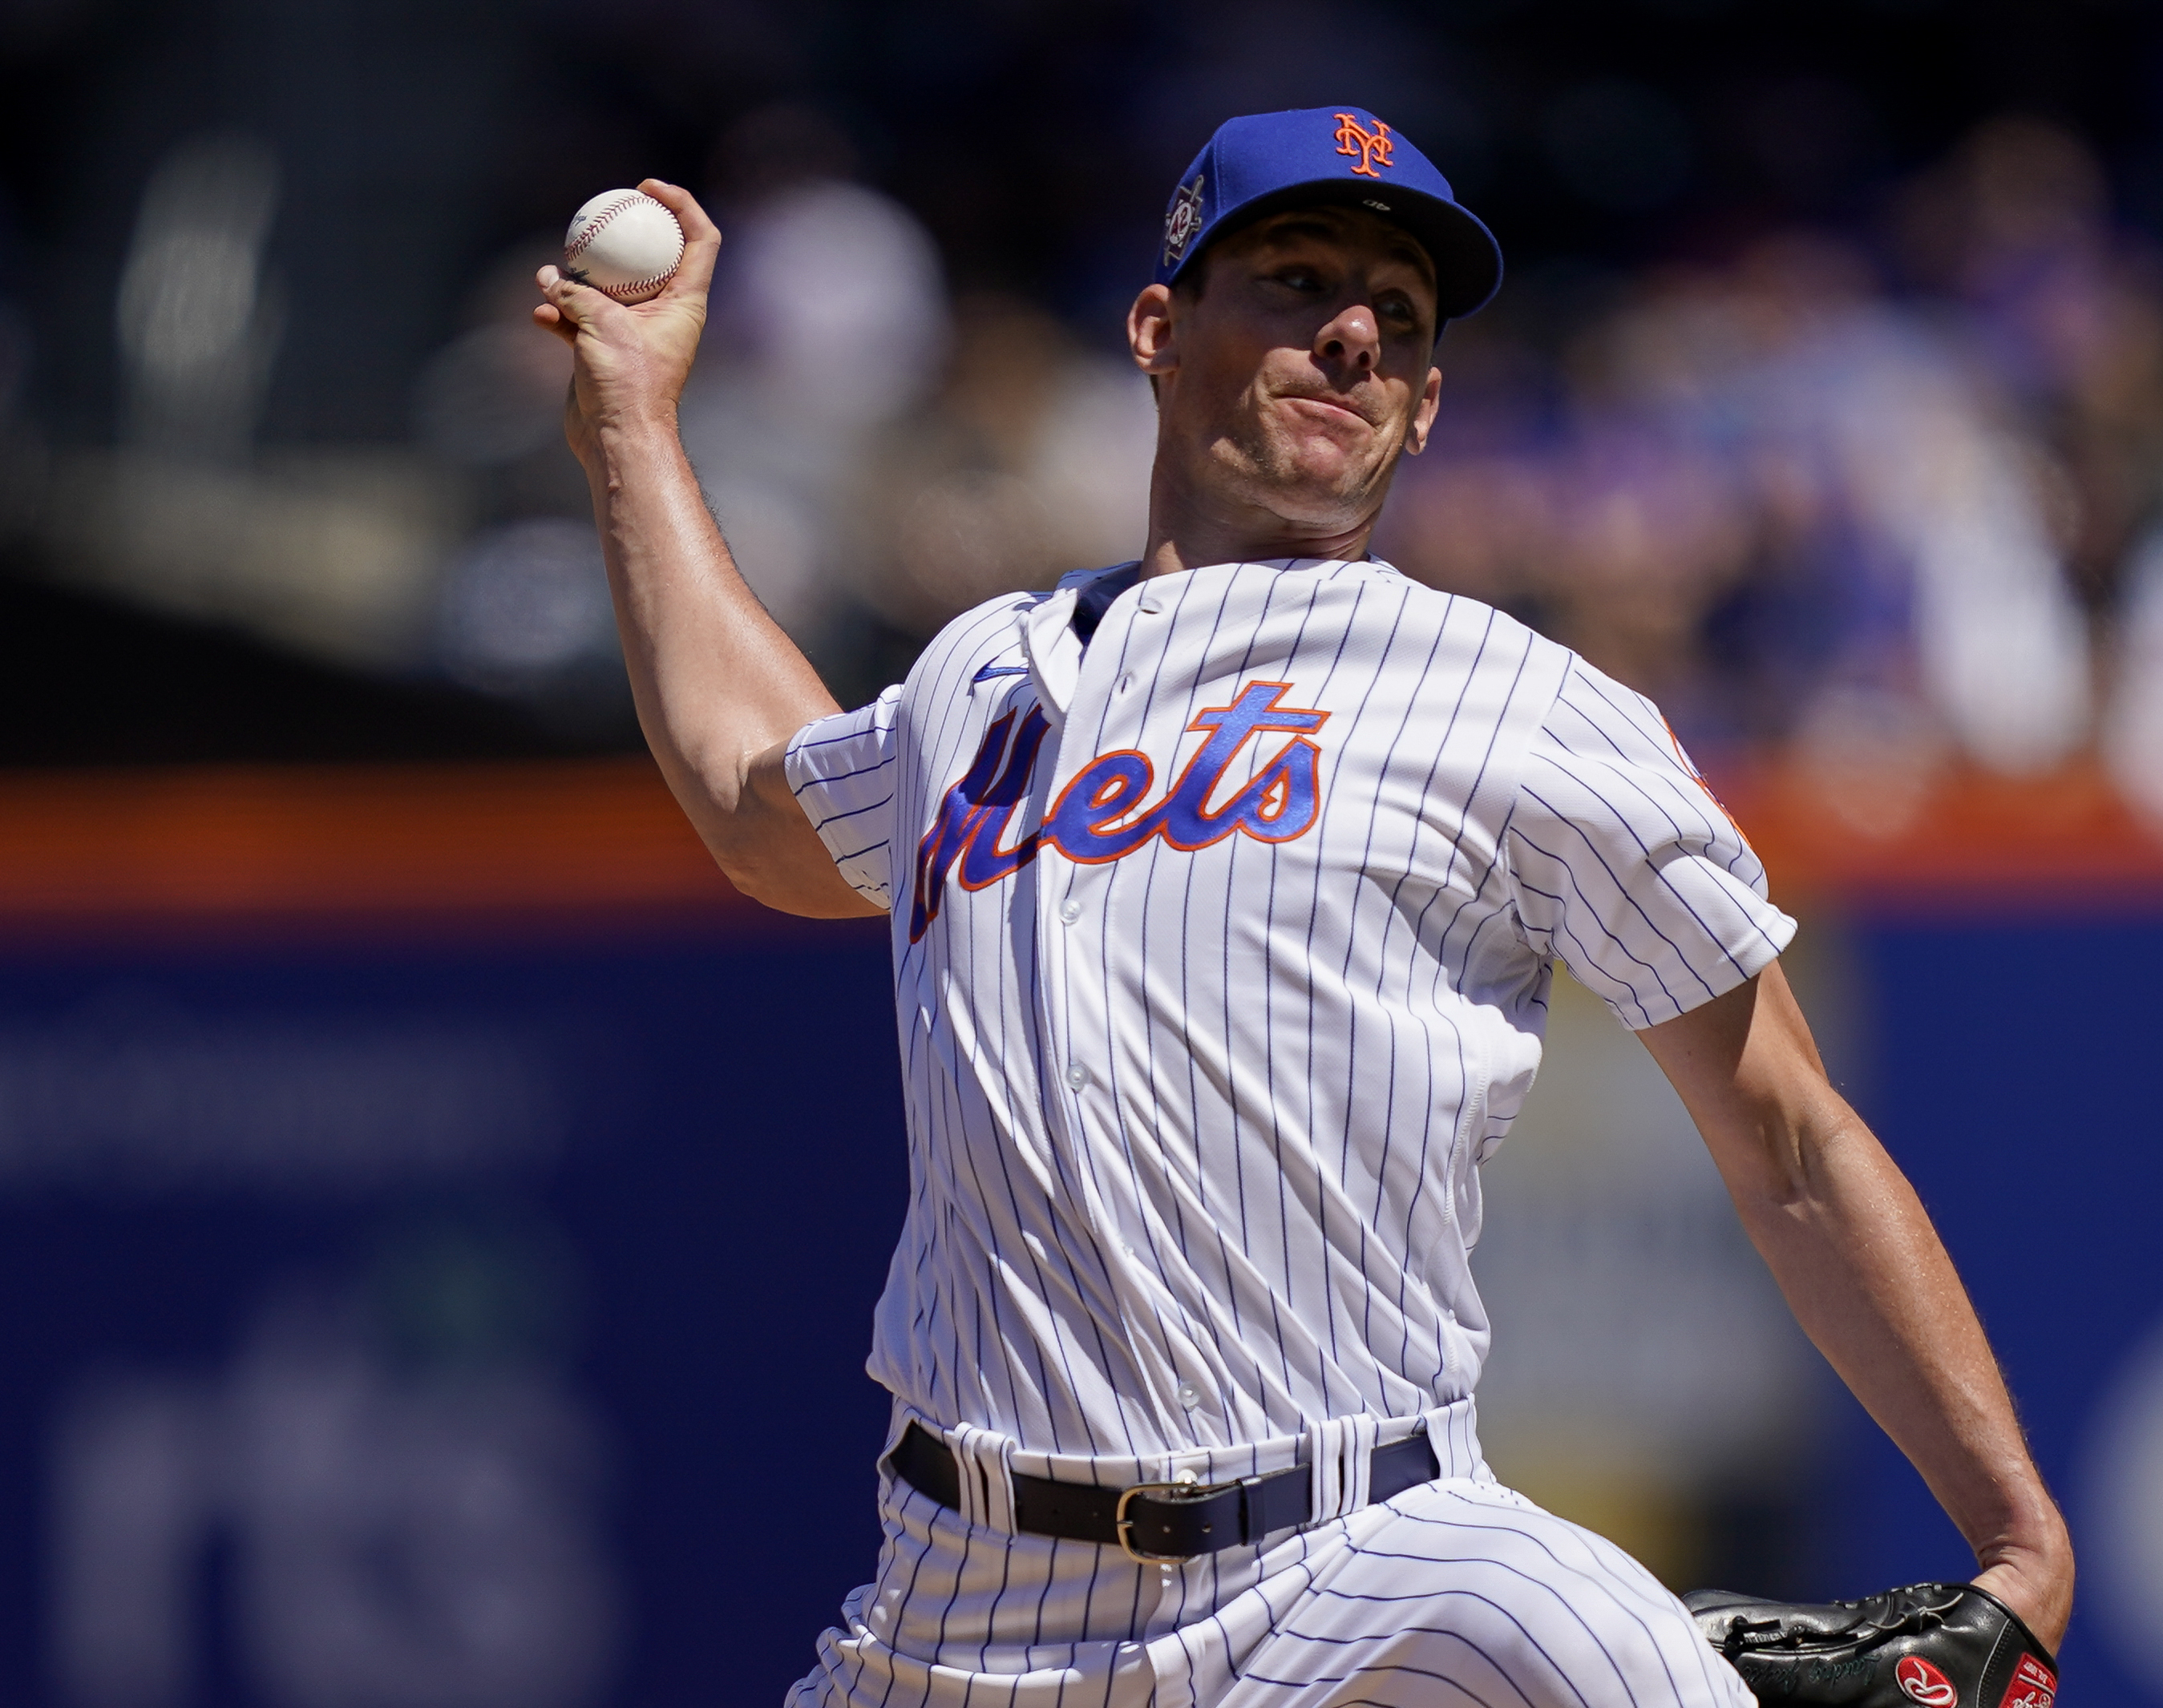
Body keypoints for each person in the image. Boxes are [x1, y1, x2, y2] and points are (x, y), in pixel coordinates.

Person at [535, 106, 2072, 1708]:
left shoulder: (1517, 704)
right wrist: (632, 424)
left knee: (1631, 1662)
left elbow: (1793, 1138)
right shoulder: (979, 676)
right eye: (1293, 277)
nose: (1351, 330)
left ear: (1419, 412)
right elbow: (755, 804)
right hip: (961, 1592)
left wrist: (2019, 1541)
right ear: (1157, 330)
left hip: (1366, 1549)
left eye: (1397, 324)